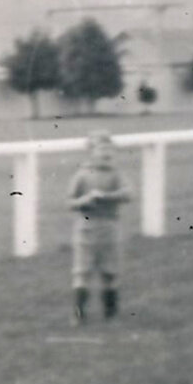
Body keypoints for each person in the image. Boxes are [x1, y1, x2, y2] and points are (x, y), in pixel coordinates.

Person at [67, 133, 131, 322]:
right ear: (90, 153)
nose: (107, 153)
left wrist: (107, 196)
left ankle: (110, 313)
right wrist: (85, 200)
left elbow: (128, 193)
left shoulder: (116, 174)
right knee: (82, 271)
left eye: (110, 149)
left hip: (110, 227)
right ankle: (79, 314)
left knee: (110, 270)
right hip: (86, 228)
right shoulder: (82, 175)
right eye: (101, 149)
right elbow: (69, 202)